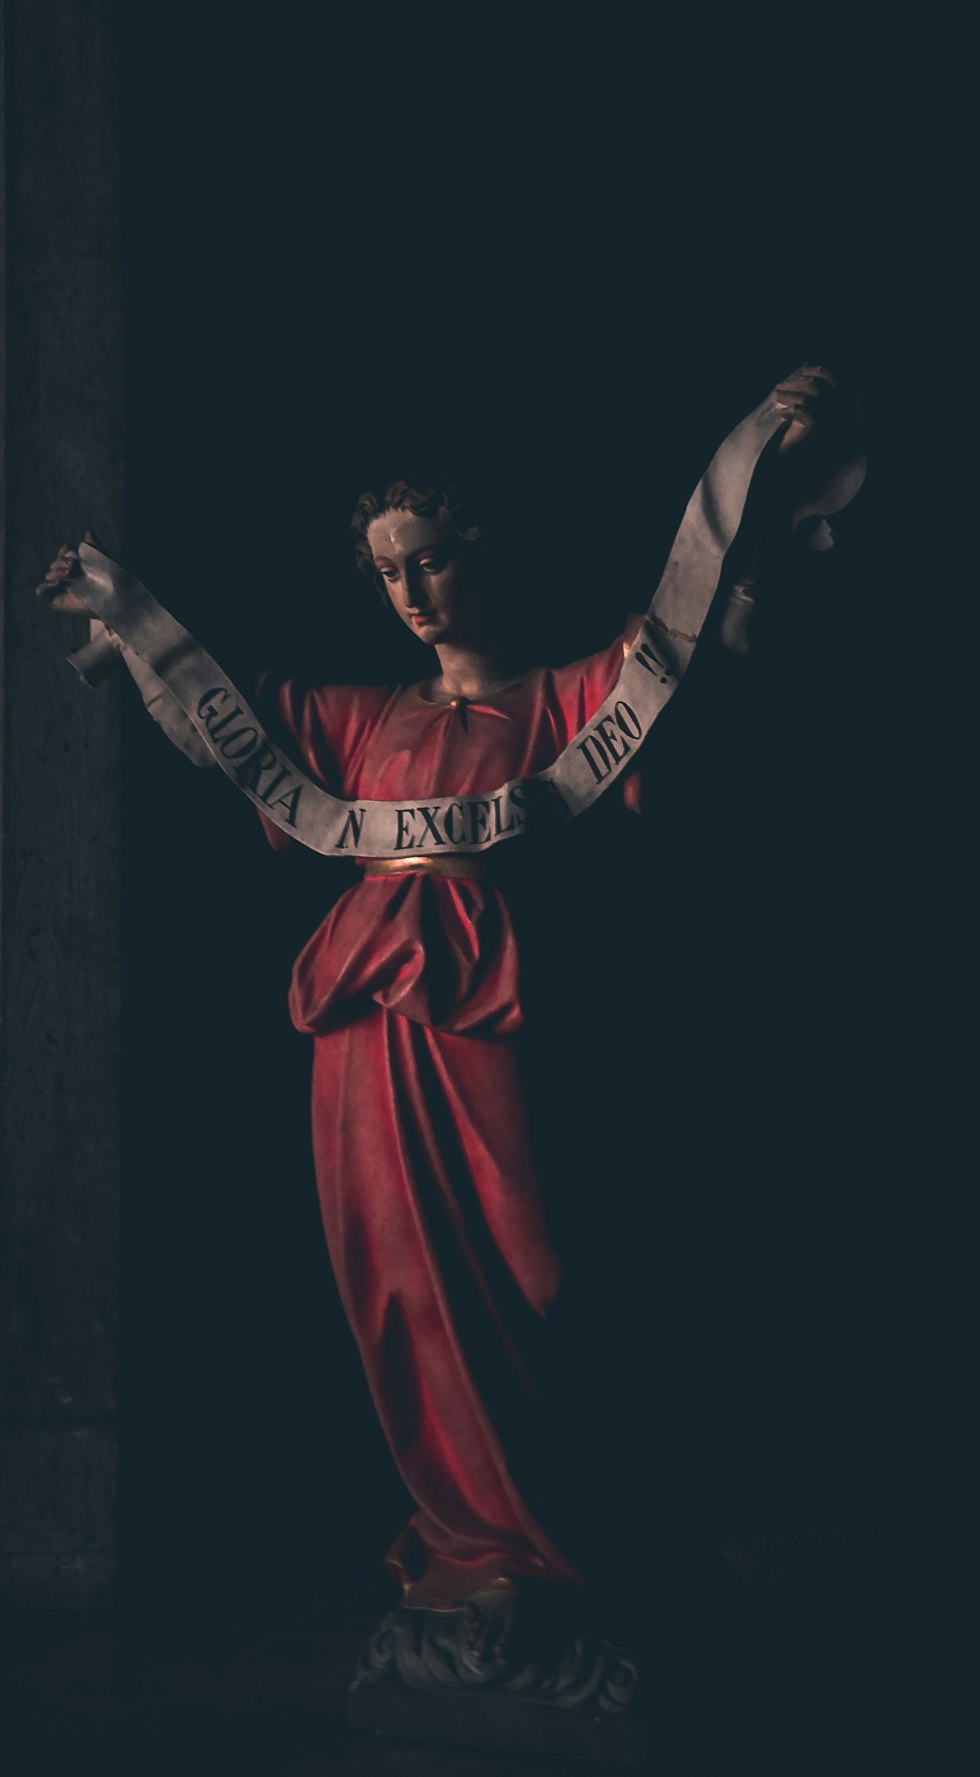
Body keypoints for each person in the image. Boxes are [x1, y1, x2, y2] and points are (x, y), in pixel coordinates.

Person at [36, 365, 861, 1613]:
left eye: (426, 560)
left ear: (476, 551)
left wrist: (766, 458)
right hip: (362, 1016)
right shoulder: (357, 716)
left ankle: (567, 1527)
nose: (409, 592)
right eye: (386, 571)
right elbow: (224, 727)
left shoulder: (561, 696)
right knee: (394, 1281)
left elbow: (684, 645)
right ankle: (472, 1540)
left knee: (536, 1270)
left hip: (491, 997)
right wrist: (123, 636)